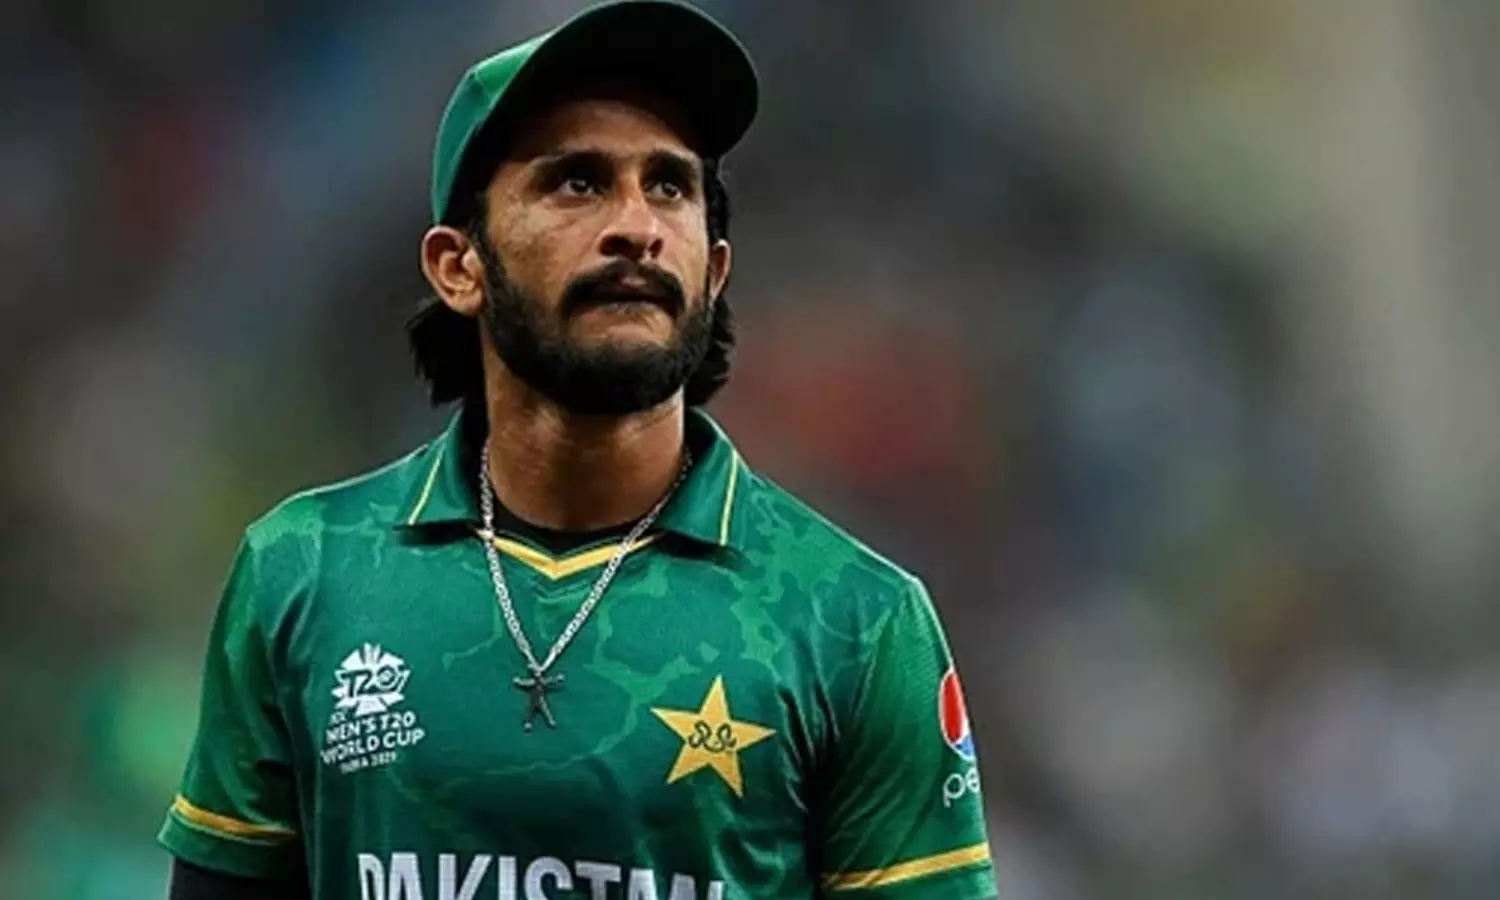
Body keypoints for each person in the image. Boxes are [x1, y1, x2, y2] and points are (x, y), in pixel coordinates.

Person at [159, 2, 998, 898]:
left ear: (713, 270)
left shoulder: (856, 621)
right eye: (577, 182)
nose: (637, 225)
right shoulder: (303, 573)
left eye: (669, 186)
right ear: (458, 266)